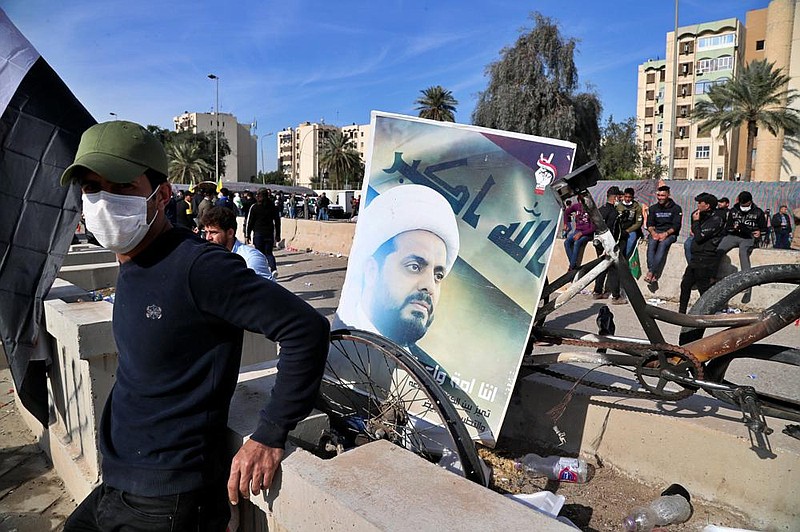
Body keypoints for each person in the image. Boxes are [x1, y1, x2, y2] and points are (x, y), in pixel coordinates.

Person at [59, 120, 329, 531]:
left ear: (161, 195)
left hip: (166, 500)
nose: (103, 201)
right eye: (92, 188)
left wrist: (270, 432)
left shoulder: (200, 266)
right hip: (116, 481)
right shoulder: (131, 258)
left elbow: (306, 329)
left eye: (122, 187)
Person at [333, 184, 459, 363]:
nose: (430, 286)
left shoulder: (429, 377)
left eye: (438, 276)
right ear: (371, 271)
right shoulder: (339, 343)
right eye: (414, 267)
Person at [678, 193, 725, 313]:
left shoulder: (716, 219)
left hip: (705, 258)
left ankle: (709, 312)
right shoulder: (699, 215)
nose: (698, 205)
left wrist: (696, 222)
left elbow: (699, 237)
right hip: (696, 257)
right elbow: (694, 232)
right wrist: (695, 222)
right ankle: (681, 312)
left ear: (708, 205)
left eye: (700, 203)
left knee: (703, 288)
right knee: (685, 284)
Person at [200, 206, 274, 281]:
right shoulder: (208, 257)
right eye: (206, 232)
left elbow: (269, 291)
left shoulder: (250, 259)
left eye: (213, 232)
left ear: (230, 233)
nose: (208, 238)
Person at [716, 190, 767, 276]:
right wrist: (734, 228)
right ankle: (711, 276)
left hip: (748, 237)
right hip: (734, 235)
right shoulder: (733, 210)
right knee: (719, 250)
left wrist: (759, 233)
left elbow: (764, 229)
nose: (743, 206)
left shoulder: (758, 212)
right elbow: (728, 227)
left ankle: (746, 279)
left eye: (745, 204)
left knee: (743, 253)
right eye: (741, 204)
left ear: (750, 201)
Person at [592, 186, 625, 304]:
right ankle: (616, 297)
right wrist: (609, 247)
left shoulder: (600, 210)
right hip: (608, 244)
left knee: (602, 266)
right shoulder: (614, 213)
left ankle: (597, 291)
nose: (620, 199)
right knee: (614, 269)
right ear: (615, 197)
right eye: (619, 197)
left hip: (598, 242)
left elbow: (595, 227)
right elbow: (611, 231)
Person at [645, 185, 682, 284]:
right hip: (656, 232)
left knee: (662, 245)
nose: (660, 198)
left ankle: (651, 272)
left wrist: (665, 234)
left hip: (670, 233)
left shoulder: (676, 208)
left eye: (663, 195)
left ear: (668, 195)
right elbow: (649, 224)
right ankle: (653, 272)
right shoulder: (653, 208)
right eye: (659, 195)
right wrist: (653, 233)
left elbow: (676, 225)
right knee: (651, 244)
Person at [245, 188, 280, 276]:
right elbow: (277, 221)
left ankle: (261, 272)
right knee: (269, 253)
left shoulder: (255, 207)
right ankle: (273, 269)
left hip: (258, 234)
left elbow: (250, 222)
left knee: (259, 254)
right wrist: (278, 234)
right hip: (269, 233)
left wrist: (247, 235)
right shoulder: (273, 206)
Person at [563, 195, 595, 271]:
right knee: (567, 242)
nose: (582, 203)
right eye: (580, 201)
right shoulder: (576, 206)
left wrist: (581, 233)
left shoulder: (591, 209)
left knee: (577, 242)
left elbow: (593, 228)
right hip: (577, 230)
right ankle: (573, 264)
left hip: (587, 233)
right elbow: (566, 213)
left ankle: (571, 267)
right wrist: (565, 223)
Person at [616, 187, 644, 259]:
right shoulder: (618, 206)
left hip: (631, 230)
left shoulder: (637, 207)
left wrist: (628, 231)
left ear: (632, 197)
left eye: (629, 197)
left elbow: (638, 222)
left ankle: (626, 258)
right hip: (620, 229)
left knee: (632, 240)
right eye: (626, 197)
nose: (627, 199)